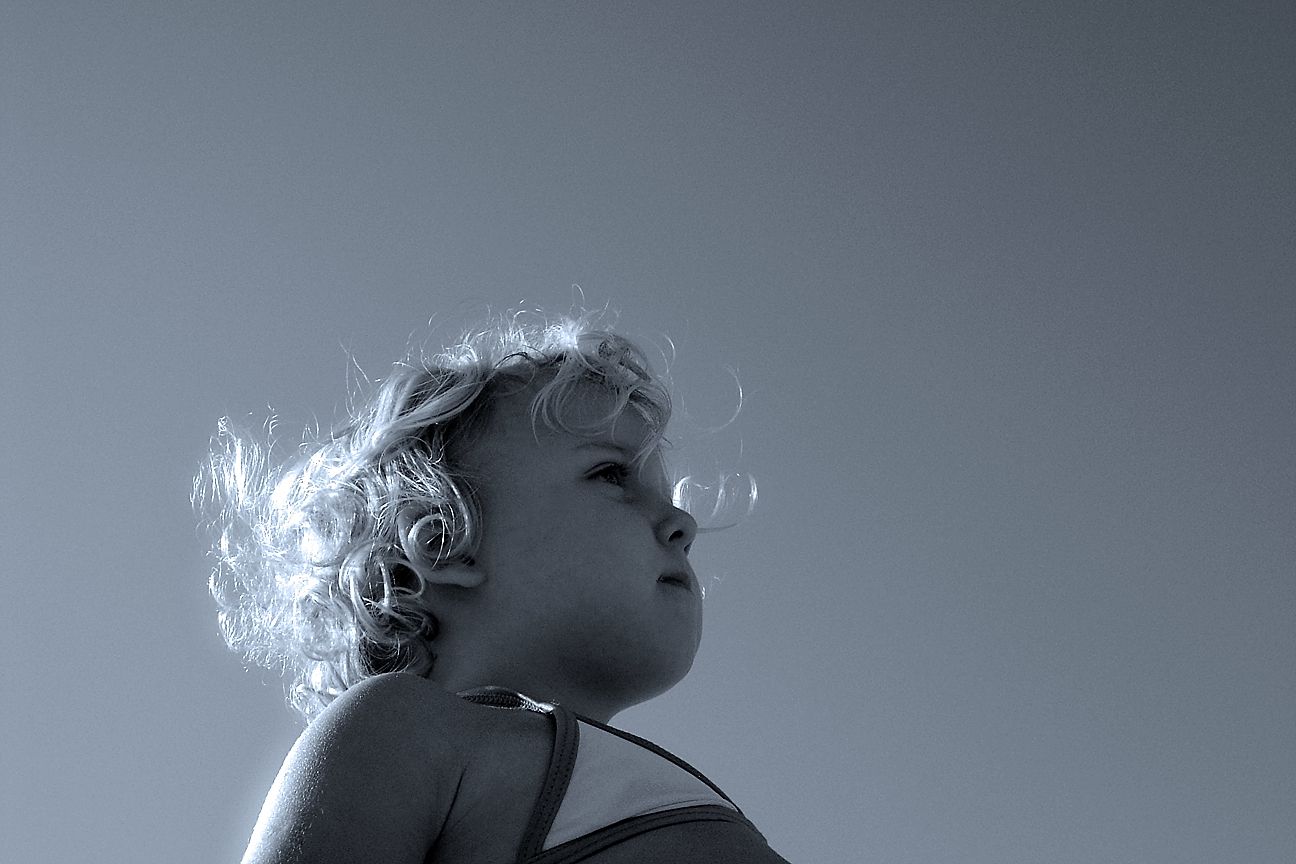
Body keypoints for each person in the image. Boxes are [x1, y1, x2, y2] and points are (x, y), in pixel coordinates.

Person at [196, 308, 789, 863]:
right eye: (611, 474)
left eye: (664, 493)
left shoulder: (683, 796)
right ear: (444, 539)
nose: (681, 522)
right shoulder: (407, 733)